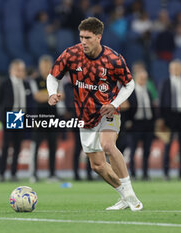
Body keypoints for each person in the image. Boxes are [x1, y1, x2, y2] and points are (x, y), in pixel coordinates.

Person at [47, 17, 142, 211]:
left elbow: (129, 83)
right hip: (85, 117)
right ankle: (124, 196)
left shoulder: (113, 59)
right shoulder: (71, 54)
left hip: (107, 111)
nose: (83, 41)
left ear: (98, 37)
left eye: (88, 38)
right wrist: (52, 93)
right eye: (81, 37)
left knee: (108, 145)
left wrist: (114, 103)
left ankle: (130, 193)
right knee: (97, 166)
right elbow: (52, 75)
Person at [0, 59, 33, 182]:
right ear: (11, 70)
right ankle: (1, 173)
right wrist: (3, 116)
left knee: (17, 146)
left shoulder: (26, 84)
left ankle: (13, 173)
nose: (20, 72)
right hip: (10, 115)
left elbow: (29, 101)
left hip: (21, 116)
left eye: (22, 70)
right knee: (6, 146)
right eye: (18, 69)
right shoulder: (4, 83)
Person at [159, 59, 181, 180]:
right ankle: (166, 172)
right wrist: (161, 118)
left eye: (178, 68)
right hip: (169, 117)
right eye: (174, 69)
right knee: (167, 145)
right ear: (170, 70)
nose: (176, 71)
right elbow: (161, 101)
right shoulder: (165, 83)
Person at [30, 55, 59, 183]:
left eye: (48, 65)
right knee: (36, 146)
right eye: (44, 65)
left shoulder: (56, 79)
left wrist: (47, 95)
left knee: (53, 146)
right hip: (38, 117)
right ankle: (33, 174)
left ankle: (52, 174)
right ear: (39, 66)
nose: (46, 68)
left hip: (53, 117)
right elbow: (37, 97)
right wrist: (51, 94)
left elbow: (60, 96)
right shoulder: (34, 80)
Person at [127, 69, 155, 180]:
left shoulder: (148, 91)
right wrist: (128, 122)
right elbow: (127, 109)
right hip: (135, 124)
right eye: (141, 78)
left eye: (145, 79)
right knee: (133, 150)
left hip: (147, 123)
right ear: (136, 79)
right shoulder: (131, 92)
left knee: (147, 150)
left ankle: (145, 173)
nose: (143, 80)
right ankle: (132, 173)